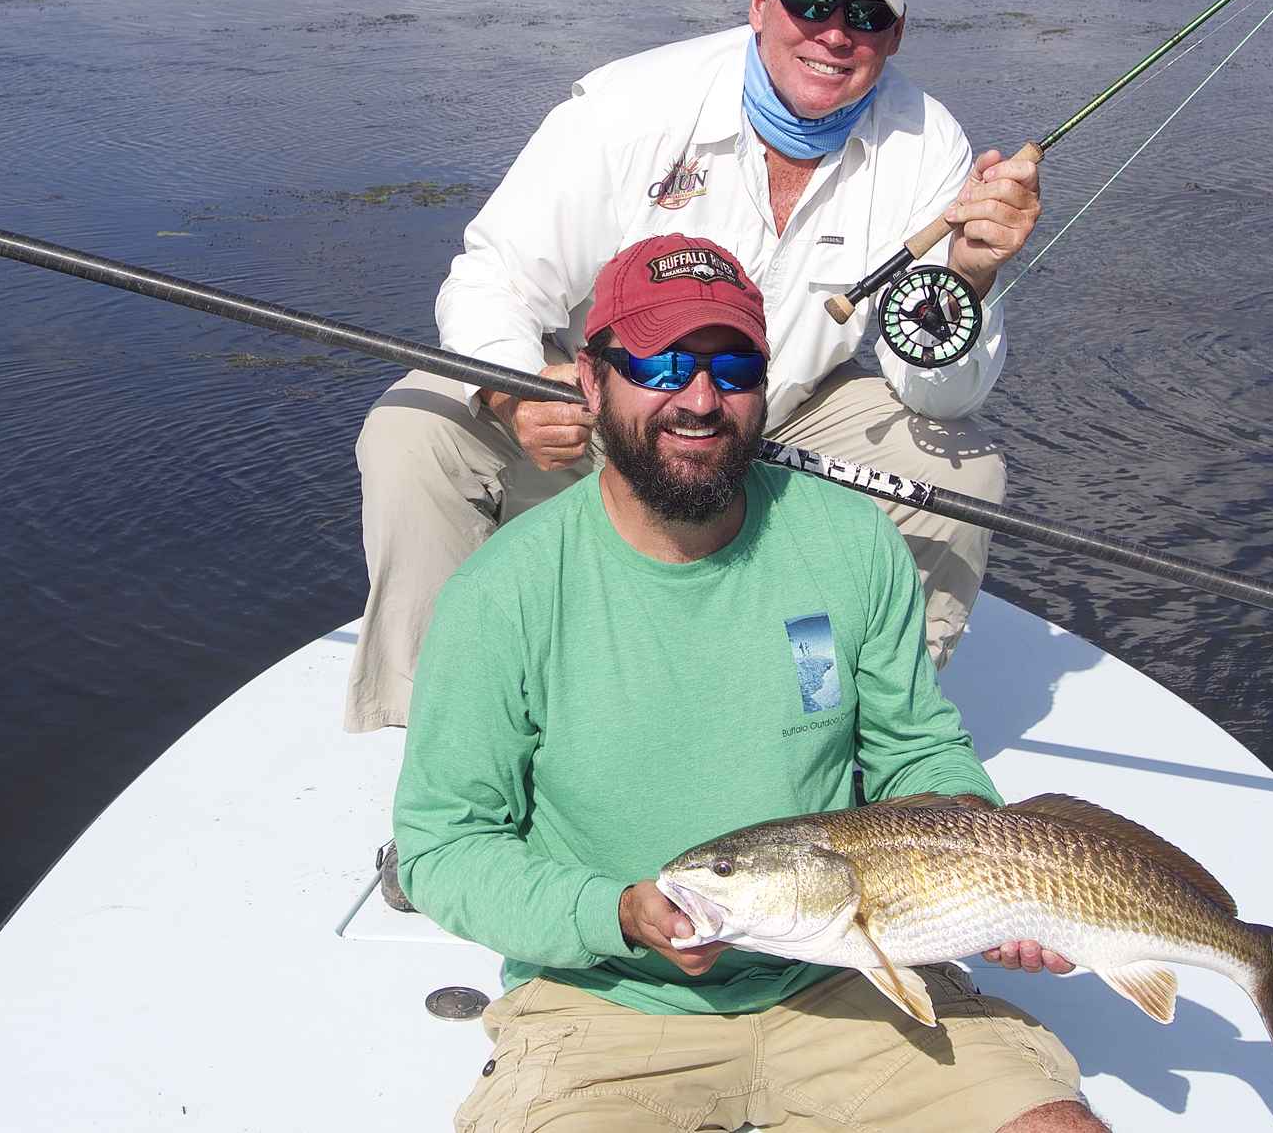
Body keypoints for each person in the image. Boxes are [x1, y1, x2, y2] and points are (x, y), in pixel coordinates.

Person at [393, 236, 1099, 1132]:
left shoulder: (850, 540)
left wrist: (991, 876)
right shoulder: (503, 592)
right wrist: (613, 912)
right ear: (589, 382)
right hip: (606, 1001)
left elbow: (914, 746)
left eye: (733, 368)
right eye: (660, 364)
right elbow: (443, 847)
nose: (700, 399)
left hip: (853, 976)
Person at [348, 0, 1040, 733]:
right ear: (761, 2)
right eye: (813, 3)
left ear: (895, 34)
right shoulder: (627, 111)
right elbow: (491, 277)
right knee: (413, 428)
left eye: (865, 12)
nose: (834, 33)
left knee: (959, 472)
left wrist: (967, 277)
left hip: (778, 419)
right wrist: (515, 389)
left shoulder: (930, 146)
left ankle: (866, 729)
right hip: (612, 405)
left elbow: (939, 396)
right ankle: (444, 732)